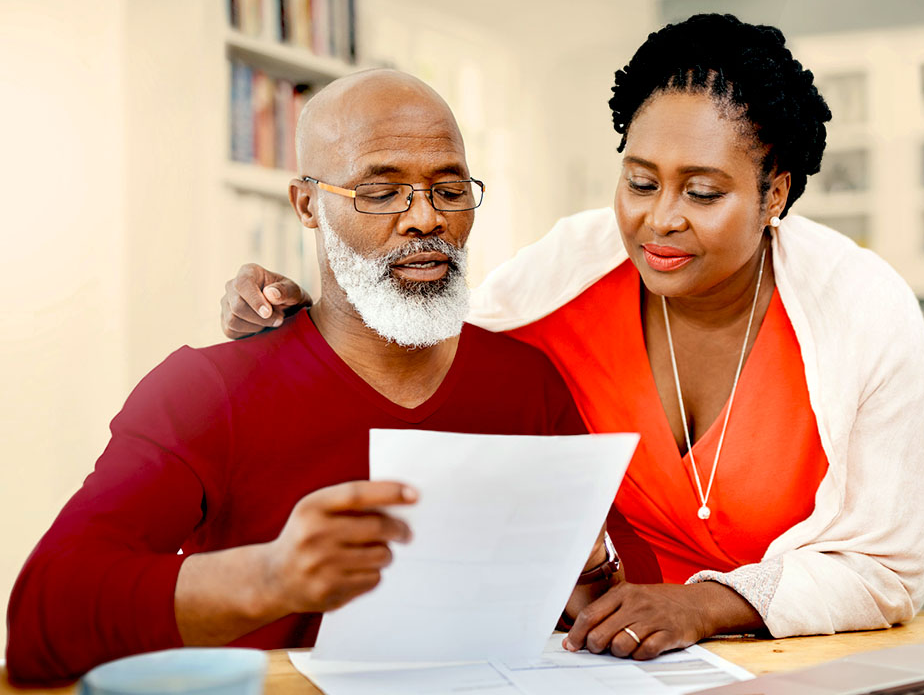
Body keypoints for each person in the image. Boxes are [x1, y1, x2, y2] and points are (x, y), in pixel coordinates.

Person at [222, 14, 924, 661]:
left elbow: (888, 571)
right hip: (600, 656)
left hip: (803, 659)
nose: (661, 219)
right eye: (639, 181)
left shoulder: (863, 311)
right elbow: (419, 355)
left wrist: (705, 604)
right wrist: (291, 319)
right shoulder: (573, 267)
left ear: (774, 194)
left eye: (704, 192)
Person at [4, 70, 589, 684]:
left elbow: (616, 591)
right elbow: (47, 613)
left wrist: (592, 576)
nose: (425, 219)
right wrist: (272, 575)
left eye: (449, 189)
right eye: (380, 192)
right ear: (307, 204)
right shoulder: (206, 389)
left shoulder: (527, 380)